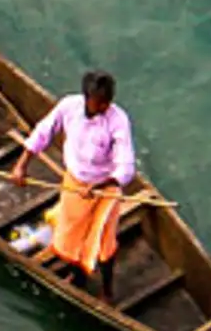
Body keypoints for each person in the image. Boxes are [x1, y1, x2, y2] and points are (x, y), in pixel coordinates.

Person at [19, 70, 137, 289]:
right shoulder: (69, 107)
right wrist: (21, 165)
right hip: (75, 184)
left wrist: (102, 184)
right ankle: (78, 277)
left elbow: (126, 165)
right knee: (71, 237)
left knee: (104, 243)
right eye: (99, 102)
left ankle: (107, 291)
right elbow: (43, 132)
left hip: (105, 188)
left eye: (107, 101)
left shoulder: (118, 120)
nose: (104, 106)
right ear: (87, 98)